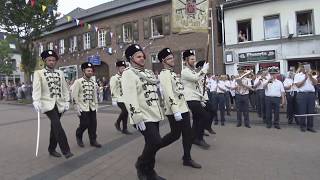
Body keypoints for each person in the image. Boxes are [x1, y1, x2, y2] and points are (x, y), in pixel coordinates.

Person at [121, 44, 166, 180]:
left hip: (154, 114)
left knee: (150, 143)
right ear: (131, 58)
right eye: (138, 56)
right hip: (142, 115)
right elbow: (130, 97)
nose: (142, 58)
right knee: (156, 142)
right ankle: (140, 164)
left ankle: (150, 172)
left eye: (142, 56)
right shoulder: (128, 74)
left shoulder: (148, 73)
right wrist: (137, 117)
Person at [157, 48, 201, 169]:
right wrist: (176, 111)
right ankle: (154, 147)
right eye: (169, 58)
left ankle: (186, 158)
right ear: (163, 61)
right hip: (175, 111)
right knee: (175, 135)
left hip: (183, 109)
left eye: (172, 57)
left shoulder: (173, 73)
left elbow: (180, 91)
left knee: (187, 134)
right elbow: (168, 94)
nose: (172, 60)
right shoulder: (164, 74)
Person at [32, 50, 73, 159]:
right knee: (57, 124)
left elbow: (65, 89)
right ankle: (66, 150)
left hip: (59, 104)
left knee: (54, 127)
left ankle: (51, 149)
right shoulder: (38, 73)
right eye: (49, 60)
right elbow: (36, 89)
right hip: (47, 104)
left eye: (53, 60)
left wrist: (67, 101)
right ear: (45, 61)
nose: (51, 62)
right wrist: (36, 101)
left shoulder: (60, 73)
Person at [181, 49, 210, 149]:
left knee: (198, 118)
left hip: (196, 98)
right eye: (192, 59)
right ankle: (198, 138)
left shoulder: (193, 71)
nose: (194, 60)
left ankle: (194, 137)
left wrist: (201, 99)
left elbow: (198, 84)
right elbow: (195, 78)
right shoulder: (185, 71)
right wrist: (204, 69)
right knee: (204, 116)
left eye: (194, 59)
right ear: (186, 60)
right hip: (190, 98)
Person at [72, 62, 102, 148]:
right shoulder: (78, 82)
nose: (90, 72)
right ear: (83, 71)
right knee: (85, 124)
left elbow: (94, 95)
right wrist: (76, 107)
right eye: (88, 70)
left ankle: (93, 140)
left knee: (93, 124)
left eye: (91, 71)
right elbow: (74, 95)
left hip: (91, 107)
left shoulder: (93, 82)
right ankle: (79, 135)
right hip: (82, 107)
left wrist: (96, 105)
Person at [294, 63, 317, 133]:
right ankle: (303, 126)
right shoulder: (297, 75)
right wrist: (305, 78)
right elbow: (298, 85)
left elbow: (315, 83)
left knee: (311, 111)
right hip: (302, 94)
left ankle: (310, 126)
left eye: (307, 67)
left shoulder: (313, 73)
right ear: (301, 68)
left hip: (311, 94)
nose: (306, 69)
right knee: (302, 111)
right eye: (304, 68)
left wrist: (310, 76)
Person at [110, 60, 131, 135]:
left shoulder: (126, 77)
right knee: (125, 111)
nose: (123, 69)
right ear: (118, 68)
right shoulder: (114, 78)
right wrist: (114, 99)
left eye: (124, 68)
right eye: (121, 68)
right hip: (119, 98)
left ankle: (124, 128)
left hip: (126, 98)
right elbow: (113, 88)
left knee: (126, 113)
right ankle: (117, 122)